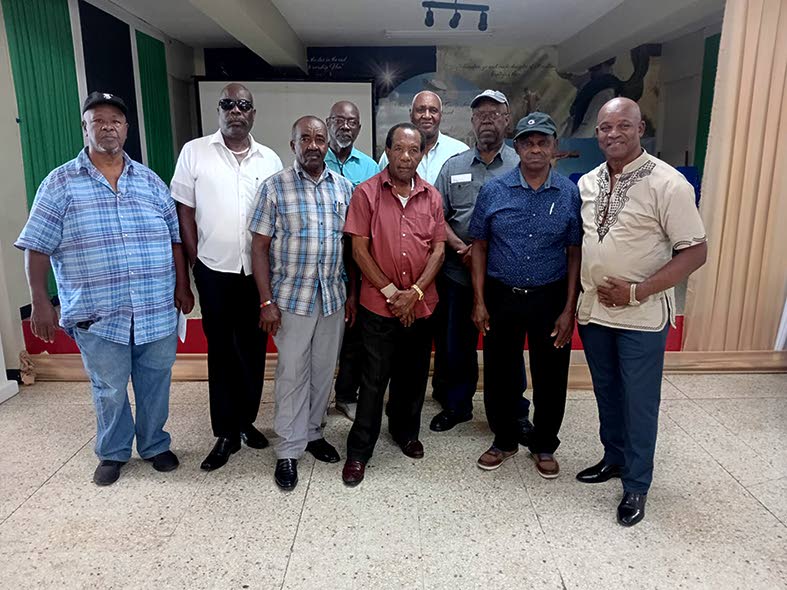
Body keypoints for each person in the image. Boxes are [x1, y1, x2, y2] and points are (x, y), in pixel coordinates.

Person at [15, 91, 192, 486]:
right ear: (85, 128)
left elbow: (175, 240)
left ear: (126, 129)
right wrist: (40, 301)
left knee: (155, 382)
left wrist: (183, 286)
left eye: (115, 120)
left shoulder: (150, 181)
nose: (108, 127)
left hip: (155, 307)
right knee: (109, 388)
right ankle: (113, 451)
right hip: (98, 312)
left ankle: (155, 444)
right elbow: (36, 246)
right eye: (98, 120)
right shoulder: (59, 183)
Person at [575, 97, 707, 526]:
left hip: (642, 315)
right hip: (595, 312)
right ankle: (613, 459)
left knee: (639, 401)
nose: (613, 133)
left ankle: (636, 484)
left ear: (640, 128)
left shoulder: (668, 184)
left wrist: (637, 290)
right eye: (605, 127)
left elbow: (695, 251)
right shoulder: (588, 182)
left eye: (623, 125)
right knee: (607, 393)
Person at [171, 83, 283, 472]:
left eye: (243, 105)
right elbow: (184, 212)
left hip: (257, 274)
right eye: (228, 104)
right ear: (218, 111)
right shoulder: (194, 152)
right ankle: (225, 432)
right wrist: (194, 264)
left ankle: (246, 421)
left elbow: (276, 217)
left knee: (254, 349)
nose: (236, 111)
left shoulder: (269, 159)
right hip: (213, 270)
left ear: (253, 113)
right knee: (220, 351)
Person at [469, 112, 582, 479]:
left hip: (550, 296)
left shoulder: (568, 193)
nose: (535, 149)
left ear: (553, 147)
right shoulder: (494, 190)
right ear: (516, 147)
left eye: (542, 142)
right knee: (500, 373)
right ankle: (503, 440)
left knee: (551, 375)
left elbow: (574, 252)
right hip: (502, 295)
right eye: (528, 142)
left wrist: (569, 308)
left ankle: (545, 444)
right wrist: (479, 300)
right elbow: (479, 245)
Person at [249, 116, 355, 491]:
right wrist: (265, 300)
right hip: (291, 299)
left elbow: (350, 248)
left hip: (332, 297)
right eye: (305, 139)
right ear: (293, 144)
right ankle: (288, 449)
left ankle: (312, 432)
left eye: (319, 139)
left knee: (323, 372)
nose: (313, 145)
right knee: (292, 374)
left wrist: (351, 295)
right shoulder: (273, 187)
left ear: (328, 145)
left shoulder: (344, 188)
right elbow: (259, 247)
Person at [341, 123, 446, 487]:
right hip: (379, 305)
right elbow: (359, 250)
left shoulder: (432, 196)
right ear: (386, 151)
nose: (406, 157)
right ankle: (359, 451)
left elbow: (438, 250)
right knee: (373, 379)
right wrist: (392, 293)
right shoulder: (366, 193)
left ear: (422, 154)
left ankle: (405, 432)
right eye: (399, 148)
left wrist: (414, 293)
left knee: (413, 376)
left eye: (413, 150)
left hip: (420, 304)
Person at [430, 90, 530, 434]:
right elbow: (436, 216)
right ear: (472, 122)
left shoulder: (520, 164)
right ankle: (458, 406)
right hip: (458, 273)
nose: (487, 120)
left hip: (504, 276)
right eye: (480, 115)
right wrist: (461, 247)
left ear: (507, 120)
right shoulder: (453, 166)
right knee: (457, 346)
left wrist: (490, 251)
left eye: (494, 114)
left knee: (507, 347)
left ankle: (515, 411)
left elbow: (529, 219)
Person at [324, 100, 377, 421]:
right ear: (328, 122)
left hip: (358, 261)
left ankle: (345, 394)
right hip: (323, 260)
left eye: (352, 121)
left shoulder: (370, 167)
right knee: (321, 335)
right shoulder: (314, 158)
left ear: (359, 127)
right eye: (339, 120)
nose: (345, 126)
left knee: (355, 335)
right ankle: (314, 398)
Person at [378, 91, 469, 184]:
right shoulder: (393, 154)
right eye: (420, 110)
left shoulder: (460, 152)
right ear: (411, 114)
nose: (427, 116)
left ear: (440, 115)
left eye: (433, 111)